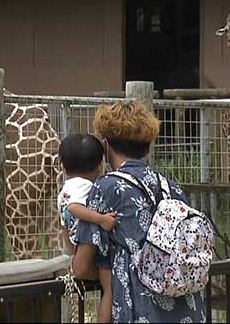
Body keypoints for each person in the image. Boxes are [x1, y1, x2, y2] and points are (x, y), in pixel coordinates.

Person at [71, 102, 206, 323]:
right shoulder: (171, 187)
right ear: (148, 147)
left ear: (105, 146)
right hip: (188, 309)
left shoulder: (107, 187)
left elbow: (81, 267)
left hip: (138, 311)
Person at [56, 133, 117, 323]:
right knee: (110, 289)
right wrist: (102, 219)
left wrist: (71, 251)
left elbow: (64, 222)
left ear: (64, 166)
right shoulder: (86, 186)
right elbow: (75, 207)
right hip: (90, 249)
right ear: (100, 165)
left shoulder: (66, 188)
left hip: (76, 247)